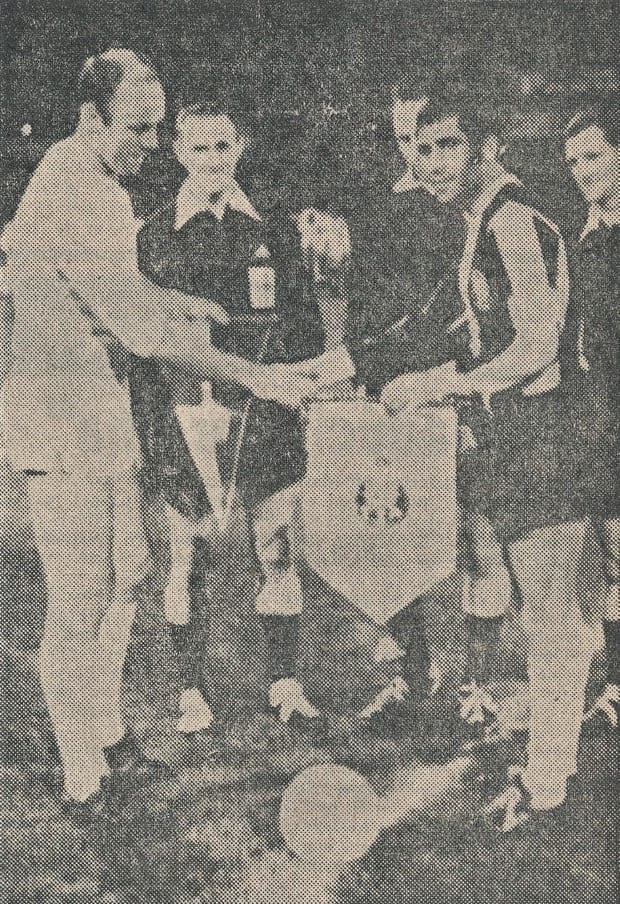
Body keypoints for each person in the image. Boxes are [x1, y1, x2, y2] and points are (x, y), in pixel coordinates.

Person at [0, 50, 311, 810]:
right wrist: (252, 373)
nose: (148, 144)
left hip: (98, 405)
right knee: (81, 594)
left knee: (130, 571)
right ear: (91, 117)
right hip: (60, 414)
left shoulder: (88, 176)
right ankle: (85, 775)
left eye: (154, 127)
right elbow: (139, 330)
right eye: (136, 129)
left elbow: (116, 286)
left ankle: (107, 735)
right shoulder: (82, 189)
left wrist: (179, 300)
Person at [132, 103, 330, 729]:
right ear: (177, 152)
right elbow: (147, 335)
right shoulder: (153, 233)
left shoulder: (273, 226)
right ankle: (191, 690)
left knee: (277, 542)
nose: (212, 160)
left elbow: (302, 318)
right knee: (188, 550)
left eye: (222, 146)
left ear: (240, 146)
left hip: (265, 405)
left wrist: (302, 385)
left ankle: (285, 683)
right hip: (187, 405)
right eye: (198, 149)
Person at [561, 105, 619, 726]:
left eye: (594, 156)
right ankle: (609, 685)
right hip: (597, 416)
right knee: (603, 552)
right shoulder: (582, 239)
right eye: (573, 160)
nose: (582, 170)